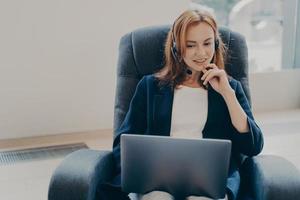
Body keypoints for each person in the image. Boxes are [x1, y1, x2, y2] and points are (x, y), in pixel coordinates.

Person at [97, 9, 264, 200]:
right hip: (156, 181)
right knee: (158, 198)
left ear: (216, 44)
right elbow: (123, 142)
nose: (201, 53)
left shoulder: (229, 87)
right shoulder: (150, 86)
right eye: (191, 45)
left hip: (209, 183)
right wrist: (137, 174)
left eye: (207, 43)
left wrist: (227, 94)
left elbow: (254, 146)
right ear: (176, 48)